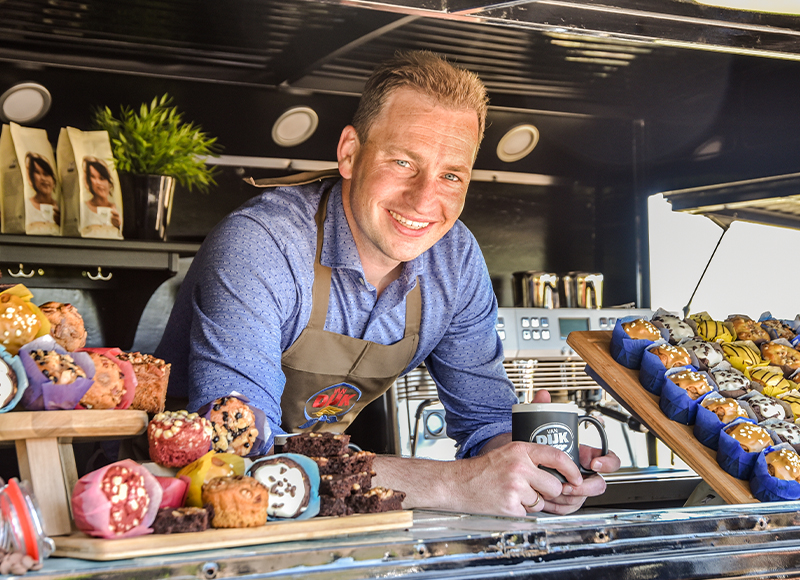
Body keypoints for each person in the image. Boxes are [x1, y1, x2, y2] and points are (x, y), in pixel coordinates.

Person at [156, 50, 619, 517]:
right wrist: (452, 484)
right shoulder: (262, 244)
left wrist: (540, 464)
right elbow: (239, 449)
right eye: (402, 163)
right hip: (178, 505)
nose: (424, 200)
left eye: (451, 175)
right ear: (350, 154)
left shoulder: (454, 261)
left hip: (318, 507)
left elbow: (485, 424)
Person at [82, 156, 121, 235]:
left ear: (109, 182)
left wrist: (118, 226)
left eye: (102, 178)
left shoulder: (117, 210)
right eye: (93, 177)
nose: (98, 183)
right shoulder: (83, 208)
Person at [25, 152, 60, 234]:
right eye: (37, 173)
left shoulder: (61, 207)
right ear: (31, 178)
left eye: (46, 174)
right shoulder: (25, 206)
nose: (43, 178)